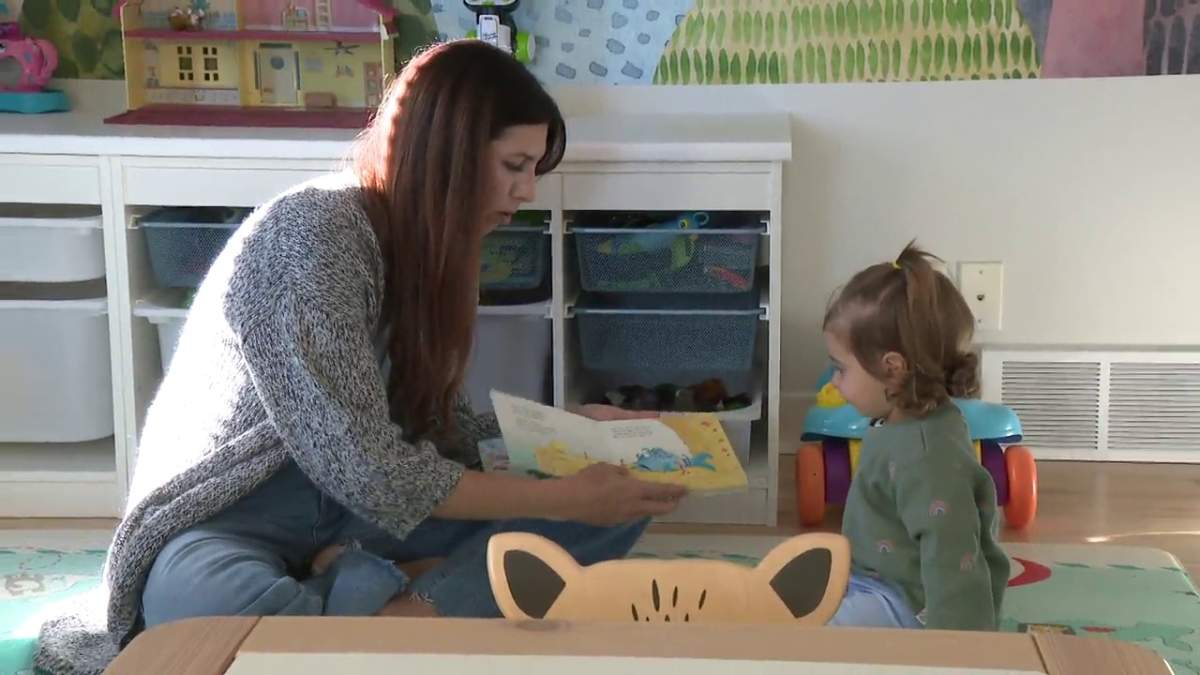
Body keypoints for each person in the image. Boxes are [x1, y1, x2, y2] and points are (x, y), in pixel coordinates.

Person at [35, 40, 686, 675]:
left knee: (618, 508)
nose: (526, 192)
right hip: (239, 522)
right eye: (515, 165)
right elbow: (369, 468)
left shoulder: (423, 250)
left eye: (533, 171)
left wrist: (568, 435)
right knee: (202, 604)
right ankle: (405, 608)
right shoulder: (313, 233)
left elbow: (436, 433)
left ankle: (362, 601)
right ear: (449, 151)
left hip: (355, 519)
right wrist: (565, 500)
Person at [821, 241, 1010, 631]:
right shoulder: (905, 424)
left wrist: (958, 651)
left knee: (810, 636)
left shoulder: (928, 456)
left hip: (908, 604)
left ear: (892, 369)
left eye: (840, 369)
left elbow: (955, 555)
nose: (835, 383)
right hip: (873, 578)